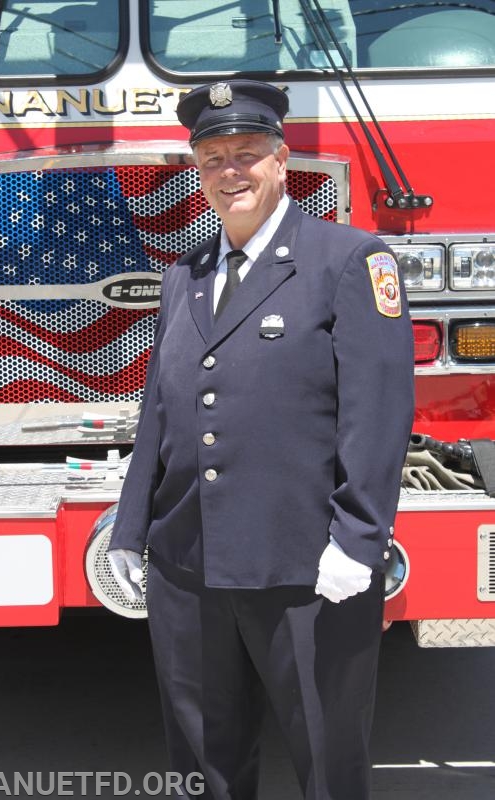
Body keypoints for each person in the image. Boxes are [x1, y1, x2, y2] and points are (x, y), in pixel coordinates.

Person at [108, 79, 414, 800]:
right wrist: (130, 529)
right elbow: (160, 407)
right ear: (197, 172)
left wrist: (359, 539)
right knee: (202, 761)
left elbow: (377, 414)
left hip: (304, 564)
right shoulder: (184, 274)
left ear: (281, 162)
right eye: (213, 158)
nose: (230, 171)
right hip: (188, 566)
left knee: (325, 755)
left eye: (247, 153)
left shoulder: (348, 260)